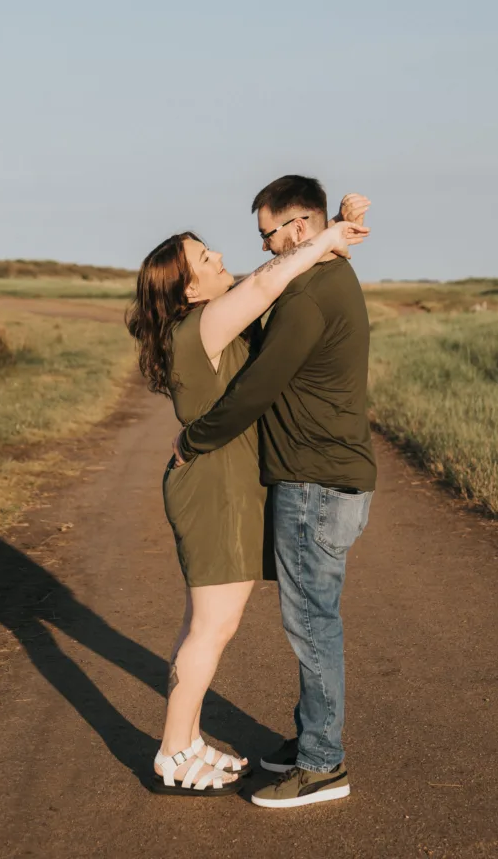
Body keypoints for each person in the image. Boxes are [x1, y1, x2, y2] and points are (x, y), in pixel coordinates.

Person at [127, 195, 370, 797]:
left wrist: (320, 234)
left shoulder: (208, 318)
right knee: (212, 627)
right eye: (206, 259)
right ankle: (174, 750)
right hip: (215, 491)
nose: (220, 260)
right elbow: (268, 284)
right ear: (187, 291)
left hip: (223, 485)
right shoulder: (203, 324)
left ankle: (185, 737)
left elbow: (264, 277)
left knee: (205, 625)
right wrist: (325, 238)